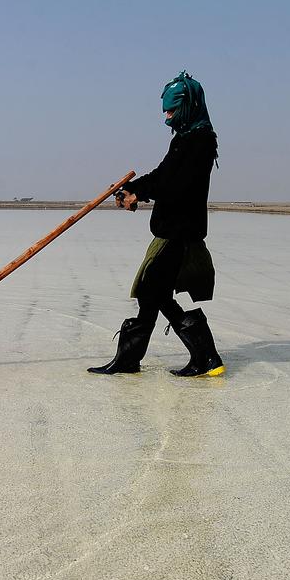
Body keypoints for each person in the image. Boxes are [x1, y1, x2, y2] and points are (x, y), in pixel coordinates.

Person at [88, 71, 225, 378]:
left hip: (179, 233)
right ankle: (131, 360)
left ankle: (205, 357)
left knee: (152, 292)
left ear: (187, 104)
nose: (166, 114)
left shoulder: (199, 141)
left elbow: (175, 184)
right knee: (152, 295)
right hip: (170, 230)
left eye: (171, 108)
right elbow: (163, 174)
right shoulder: (185, 139)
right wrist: (134, 188)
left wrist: (140, 192)